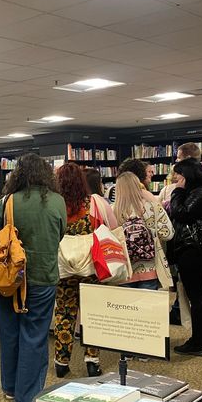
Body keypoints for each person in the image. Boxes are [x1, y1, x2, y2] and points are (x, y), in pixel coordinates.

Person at [0, 153, 67, 402]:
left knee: (9, 332)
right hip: (43, 276)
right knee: (35, 335)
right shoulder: (58, 201)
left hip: (9, 278)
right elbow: (59, 233)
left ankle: (9, 386)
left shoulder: (9, 201)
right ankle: (26, 397)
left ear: (18, 174)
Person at [54, 162, 118, 378]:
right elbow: (107, 229)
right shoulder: (93, 203)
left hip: (64, 267)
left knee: (64, 312)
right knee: (92, 312)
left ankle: (61, 362)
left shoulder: (56, 205)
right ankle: (92, 361)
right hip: (91, 266)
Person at [169, 158, 202, 356]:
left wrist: (177, 192)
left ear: (186, 176)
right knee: (198, 297)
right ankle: (201, 338)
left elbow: (180, 213)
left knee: (197, 298)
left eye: (178, 174)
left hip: (193, 251)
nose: (176, 178)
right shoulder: (198, 192)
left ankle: (198, 343)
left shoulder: (199, 194)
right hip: (193, 251)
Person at [113, 172, 173, 290]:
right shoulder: (153, 206)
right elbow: (168, 234)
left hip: (124, 271)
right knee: (148, 306)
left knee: (125, 307)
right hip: (150, 269)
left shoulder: (112, 210)